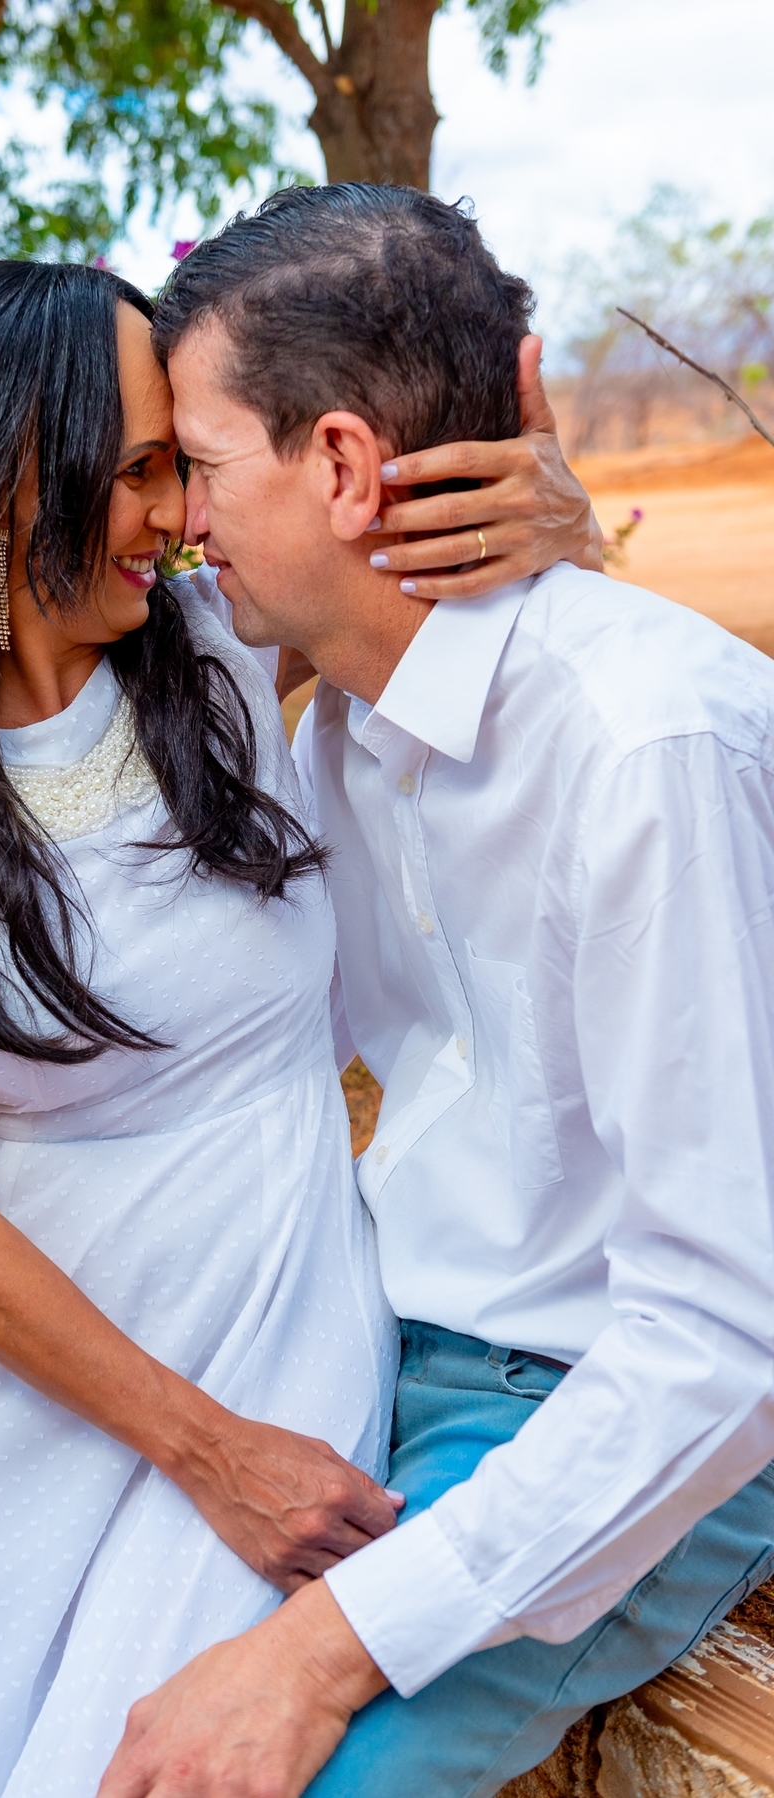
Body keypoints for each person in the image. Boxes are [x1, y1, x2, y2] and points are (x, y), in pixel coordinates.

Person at [0, 252, 598, 1798]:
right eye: (139, 471)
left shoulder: (224, 653)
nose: (181, 514)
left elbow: (488, 611)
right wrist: (212, 1451)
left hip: (276, 1327)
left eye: (179, 465)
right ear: (7, 476)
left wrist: (562, 520)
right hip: (24, 1404)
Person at [47, 184, 774, 1798]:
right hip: (373, 1342)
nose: (173, 522)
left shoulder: (643, 745)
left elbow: (721, 1338)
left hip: (607, 1402)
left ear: (347, 466)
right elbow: (216, 1043)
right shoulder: (335, 743)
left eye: (198, 465)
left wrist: (319, 1653)